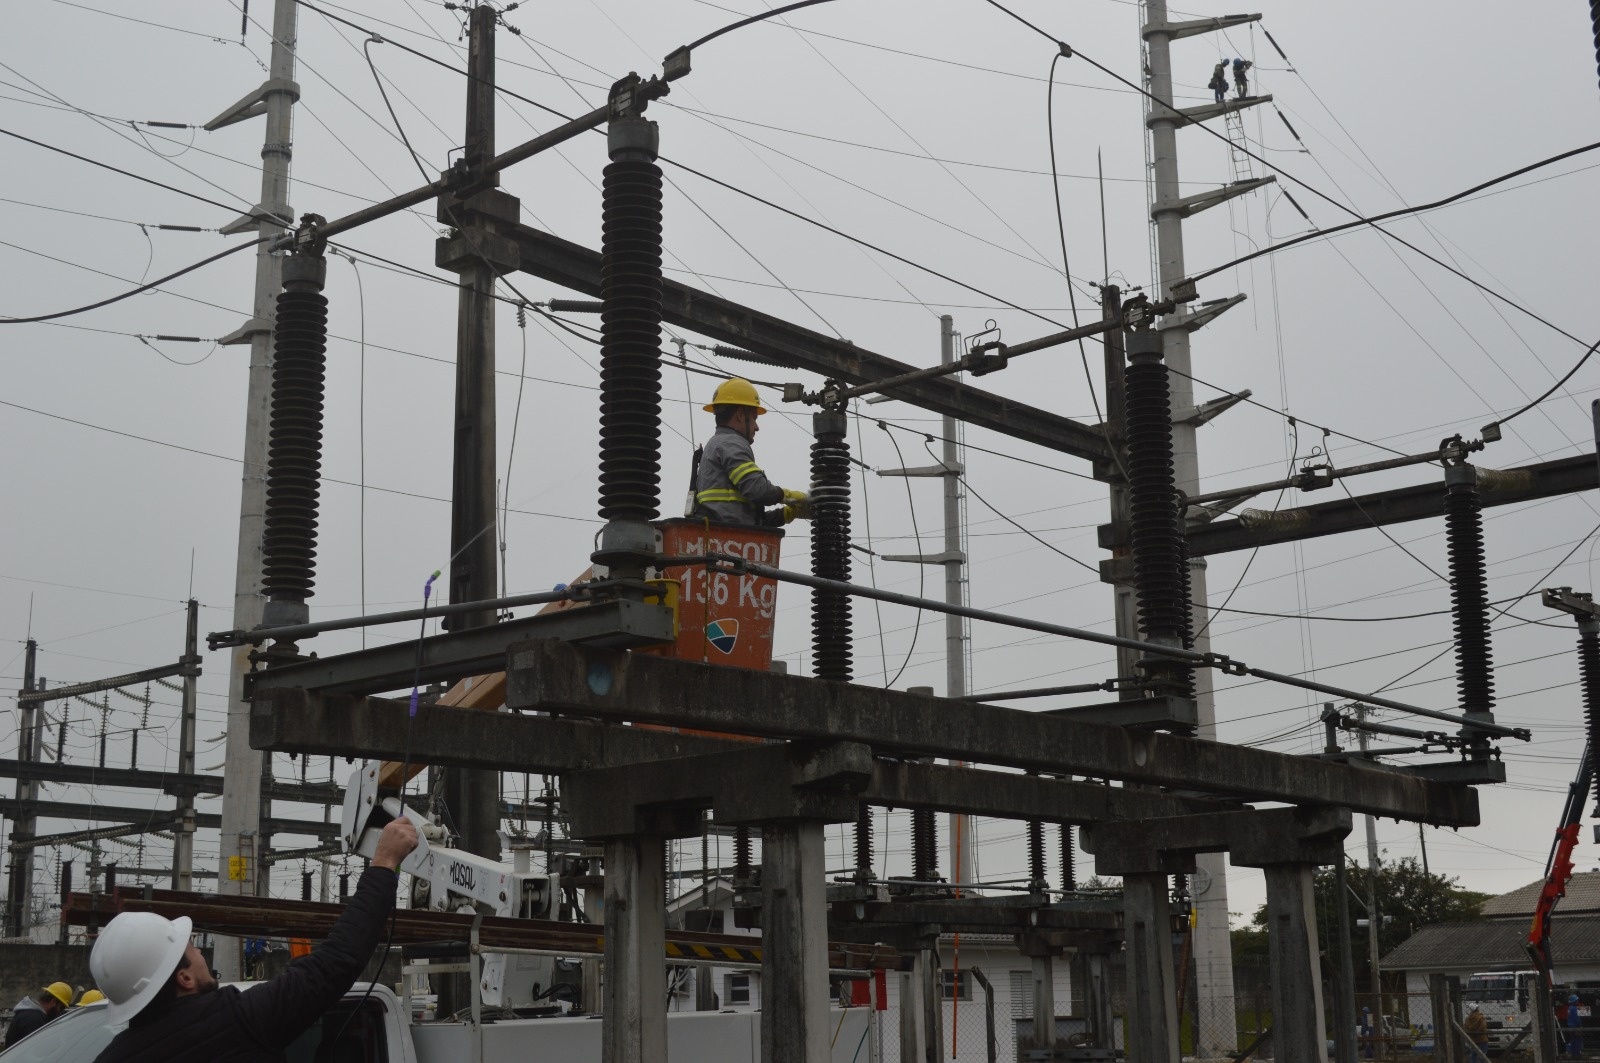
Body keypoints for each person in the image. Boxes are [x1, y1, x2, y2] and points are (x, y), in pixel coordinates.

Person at [89, 817, 418, 1063]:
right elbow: (334, 964)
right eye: (191, 949)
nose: (201, 953)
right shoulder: (233, 1021)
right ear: (184, 978)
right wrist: (384, 864)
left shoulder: (111, 1058)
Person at [691, 378, 810, 528]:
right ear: (741, 415)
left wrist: (789, 513)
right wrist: (791, 496)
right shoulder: (731, 443)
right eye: (754, 418)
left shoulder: (717, 444)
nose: (757, 427)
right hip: (726, 537)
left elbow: (748, 523)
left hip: (724, 535)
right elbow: (758, 489)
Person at [4, 982, 71, 1046]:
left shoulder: (29, 1014)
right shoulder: (34, 1020)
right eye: (61, 1008)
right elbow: (37, 1049)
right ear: (53, 1002)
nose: (59, 1012)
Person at [1567, 993, 1585, 1058]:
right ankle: (1577, 1054)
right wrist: (1580, 1025)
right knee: (1578, 1040)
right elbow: (1577, 1018)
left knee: (1573, 1040)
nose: (1578, 1001)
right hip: (1576, 1026)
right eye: (1576, 1000)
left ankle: (1573, 1053)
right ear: (1574, 1001)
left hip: (1570, 1026)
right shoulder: (1574, 1008)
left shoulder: (1570, 1008)